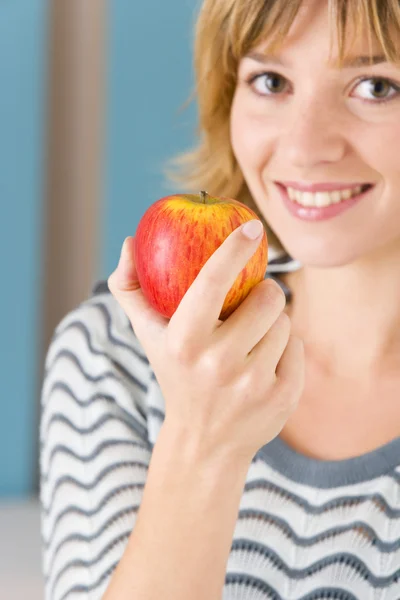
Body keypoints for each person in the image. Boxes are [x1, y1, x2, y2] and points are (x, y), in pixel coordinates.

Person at [39, 0, 400, 598]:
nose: (306, 148)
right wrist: (202, 443)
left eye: (377, 86)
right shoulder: (115, 355)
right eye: (270, 80)